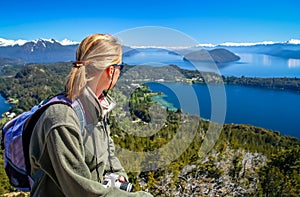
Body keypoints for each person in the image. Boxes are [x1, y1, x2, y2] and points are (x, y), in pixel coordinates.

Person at [29, 34, 153, 196]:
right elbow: (81, 192)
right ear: (111, 71)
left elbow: (108, 151)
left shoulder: (97, 107)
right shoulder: (62, 119)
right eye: (120, 67)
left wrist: (119, 174)